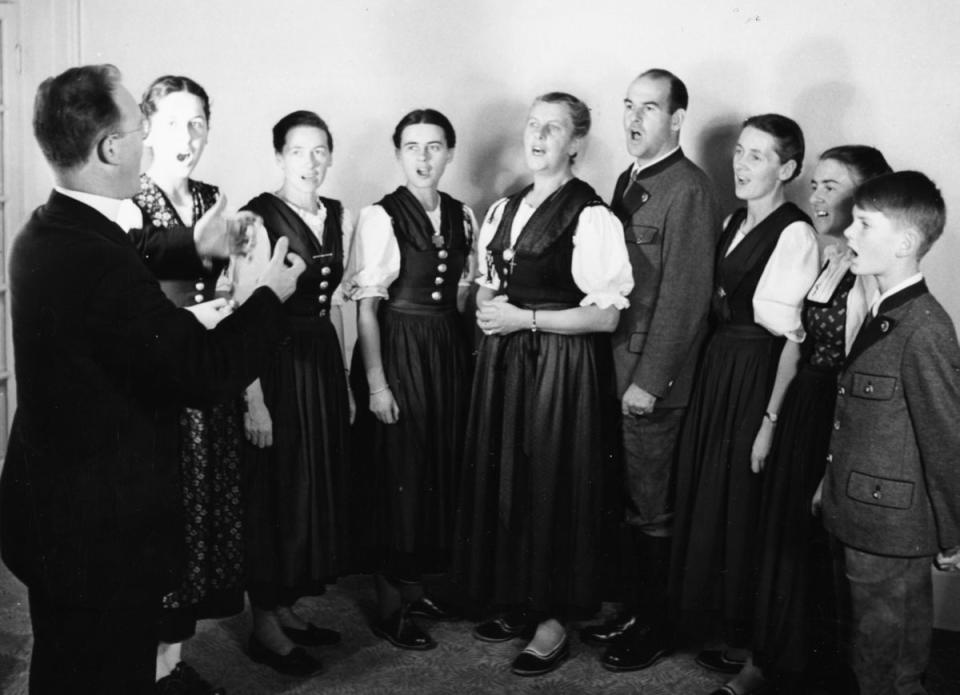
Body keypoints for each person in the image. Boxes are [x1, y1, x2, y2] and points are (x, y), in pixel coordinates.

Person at [0, 64, 304, 695]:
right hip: (102, 534)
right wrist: (266, 298)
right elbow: (204, 372)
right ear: (112, 147)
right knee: (105, 672)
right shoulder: (98, 262)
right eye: (142, 128)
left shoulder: (46, 228)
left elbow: (131, 249)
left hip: (54, 514)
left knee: (66, 664)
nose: (151, 140)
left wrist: (198, 242)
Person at [455, 92, 633, 677]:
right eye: (533, 125)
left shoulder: (590, 214)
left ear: (575, 144)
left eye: (553, 129)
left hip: (560, 365)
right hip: (506, 359)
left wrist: (523, 319)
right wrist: (488, 304)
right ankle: (519, 600)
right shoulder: (505, 209)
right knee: (508, 474)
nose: (538, 137)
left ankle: (554, 618)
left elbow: (606, 316)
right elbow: (486, 282)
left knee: (554, 481)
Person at [725, 146, 891, 695]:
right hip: (802, 408)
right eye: (814, 185)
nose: (816, 197)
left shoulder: (875, 274)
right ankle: (767, 662)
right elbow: (795, 347)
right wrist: (771, 421)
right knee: (782, 536)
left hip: (843, 418)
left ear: (866, 197)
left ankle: (812, 673)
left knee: (823, 549)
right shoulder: (825, 258)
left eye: (831, 186)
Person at [668, 114, 820, 689]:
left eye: (757, 156)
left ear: (786, 169)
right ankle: (724, 627)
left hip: (759, 372)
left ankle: (755, 643)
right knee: (715, 491)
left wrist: (768, 419)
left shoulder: (795, 233)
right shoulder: (733, 220)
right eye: (739, 152)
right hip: (719, 367)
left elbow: (790, 339)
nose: (740, 164)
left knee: (747, 499)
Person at [579, 68, 720, 673]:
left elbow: (686, 300)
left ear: (678, 120)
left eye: (650, 109)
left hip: (649, 381)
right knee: (628, 500)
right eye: (628, 106)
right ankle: (634, 610)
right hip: (613, 368)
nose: (634, 120)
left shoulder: (688, 188)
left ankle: (656, 627)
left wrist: (649, 381)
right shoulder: (629, 179)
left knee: (652, 507)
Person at [820, 171, 960, 695]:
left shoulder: (925, 328)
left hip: (893, 529)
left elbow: (946, 440)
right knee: (865, 654)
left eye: (862, 224)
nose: (848, 234)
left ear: (903, 243)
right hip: (858, 514)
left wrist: (954, 532)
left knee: (890, 667)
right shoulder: (883, 313)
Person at [343, 108, 477, 650]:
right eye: (413, 147)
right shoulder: (381, 216)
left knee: (434, 469)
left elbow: (464, 293)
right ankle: (389, 604)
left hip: (447, 350)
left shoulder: (463, 215)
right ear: (398, 153)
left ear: (450, 152)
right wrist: (377, 384)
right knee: (396, 471)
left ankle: (416, 586)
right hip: (397, 349)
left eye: (435, 146)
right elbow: (367, 309)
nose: (424, 157)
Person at [133, 74, 244, 694]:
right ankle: (145, 674)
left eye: (197, 122)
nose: (188, 135)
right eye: (173, 122)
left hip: (205, 389)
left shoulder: (212, 199)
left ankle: (170, 667)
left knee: (199, 529)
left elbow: (224, 287)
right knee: (158, 530)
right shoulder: (128, 202)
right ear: (147, 127)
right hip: (153, 394)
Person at [233, 110, 353, 676]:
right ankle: (263, 625)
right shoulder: (256, 219)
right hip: (275, 366)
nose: (311, 162)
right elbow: (241, 313)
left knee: (307, 485)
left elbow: (335, 303)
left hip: (319, 362)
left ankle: (284, 609)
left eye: (320, 151)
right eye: (299, 151)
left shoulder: (334, 215)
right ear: (279, 156)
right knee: (274, 490)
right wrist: (253, 399)